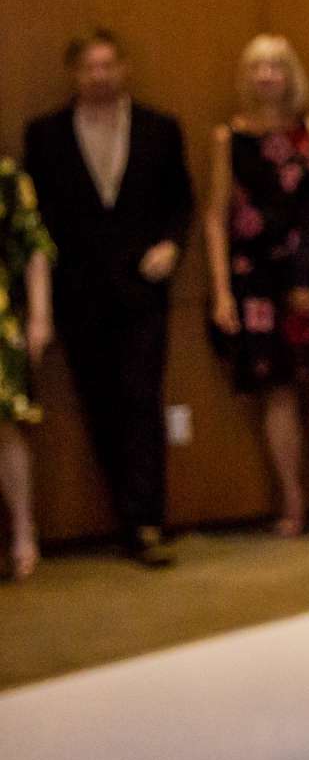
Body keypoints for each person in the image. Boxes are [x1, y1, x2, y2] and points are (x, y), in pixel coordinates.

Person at [20, 29, 194, 568]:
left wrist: (170, 245)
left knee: (143, 399)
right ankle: (124, 514)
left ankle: (147, 521)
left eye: (108, 66)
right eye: (89, 68)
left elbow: (180, 201)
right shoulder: (45, 135)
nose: (100, 76)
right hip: (79, 295)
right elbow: (39, 222)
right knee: (100, 405)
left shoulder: (159, 128)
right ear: (74, 74)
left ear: (124, 67)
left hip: (142, 290)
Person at [205, 35, 309, 536]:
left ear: (291, 74)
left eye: (276, 66)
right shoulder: (229, 138)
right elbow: (216, 216)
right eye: (257, 67)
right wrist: (222, 292)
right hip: (256, 278)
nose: (267, 75)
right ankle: (292, 503)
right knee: (277, 391)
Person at [0, 158, 56, 580]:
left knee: (7, 427)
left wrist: (40, 314)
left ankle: (23, 530)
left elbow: (35, 244)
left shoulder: (7, 175)